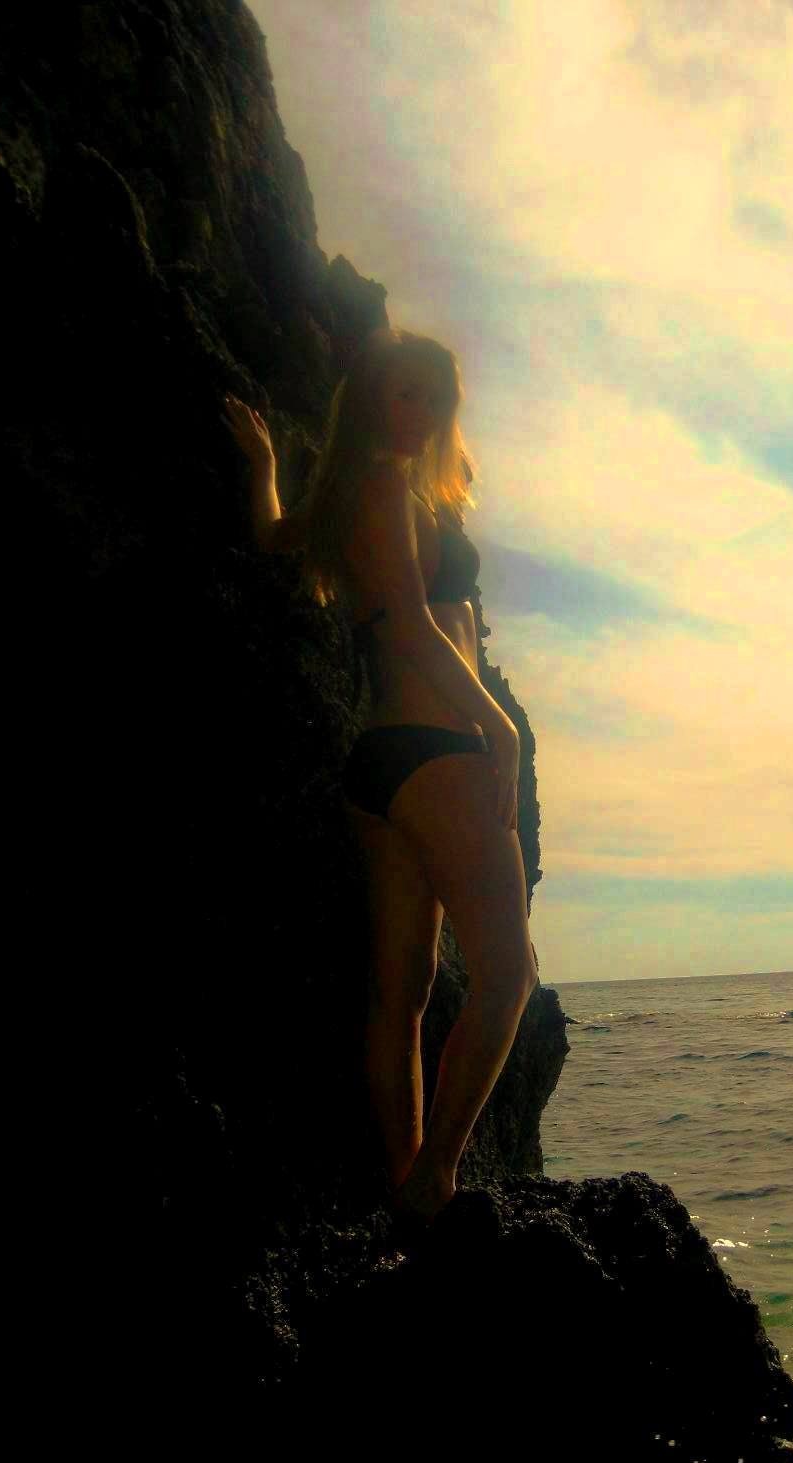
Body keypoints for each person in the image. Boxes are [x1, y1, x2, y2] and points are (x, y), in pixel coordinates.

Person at [222, 327, 539, 1230]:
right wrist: (498, 724)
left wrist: (262, 467)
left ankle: (408, 1193)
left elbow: (272, 535)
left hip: (381, 767)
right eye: (406, 392)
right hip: (436, 753)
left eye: (436, 397)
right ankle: (435, 1178)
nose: (423, 410)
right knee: (507, 976)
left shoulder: (357, 493)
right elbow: (408, 623)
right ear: (369, 398)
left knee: (400, 997)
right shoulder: (384, 484)